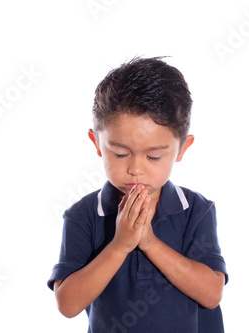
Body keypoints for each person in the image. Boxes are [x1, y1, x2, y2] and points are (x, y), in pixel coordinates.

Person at [48, 56, 228, 332]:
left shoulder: (194, 209)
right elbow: (68, 304)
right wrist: (119, 245)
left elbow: (211, 293)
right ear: (97, 143)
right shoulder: (83, 215)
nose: (135, 169)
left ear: (182, 148)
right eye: (120, 154)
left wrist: (149, 242)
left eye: (153, 157)